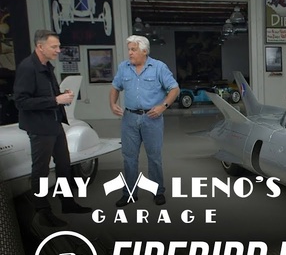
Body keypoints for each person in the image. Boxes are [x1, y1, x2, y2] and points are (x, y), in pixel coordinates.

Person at [13, 29, 92, 227]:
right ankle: (43, 212)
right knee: (40, 170)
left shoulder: (47, 66)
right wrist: (55, 99)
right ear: (40, 47)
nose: (59, 50)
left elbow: (49, 95)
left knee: (64, 164)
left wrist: (61, 95)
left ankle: (67, 202)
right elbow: (21, 102)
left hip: (54, 124)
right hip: (39, 127)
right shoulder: (27, 68)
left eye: (58, 46)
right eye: (54, 46)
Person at [109, 35, 179, 207]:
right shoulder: (123, 68)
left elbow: (174, 89)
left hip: (152, 119)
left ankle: (157, 191)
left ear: (144, 51)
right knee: (129, 157)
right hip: (129, 119)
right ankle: (129, 192)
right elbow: (115, 87)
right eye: (129, 49)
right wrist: (112, 103)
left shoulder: (158, 67)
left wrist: (163, 106)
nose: (130, 53)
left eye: (133, 50)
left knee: (154, 157)